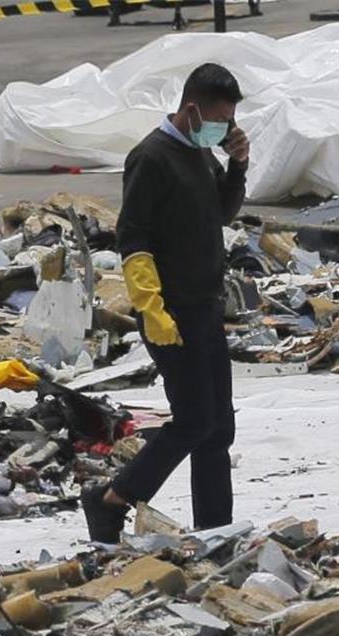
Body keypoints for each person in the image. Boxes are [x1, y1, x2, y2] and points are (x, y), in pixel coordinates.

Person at [81, 63, 250, 543]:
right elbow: (132, 237)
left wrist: (237, 165)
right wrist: (150, 307)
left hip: (206, 306)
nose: (224, 129)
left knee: (218, 429)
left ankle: (217, 531)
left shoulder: (199, 153)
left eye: (230, 122)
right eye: (219, 120)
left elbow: (221, 211)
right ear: (192, 109)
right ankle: (111, 499)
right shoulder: (151, 157)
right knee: (196, 420)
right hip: (171, 313)